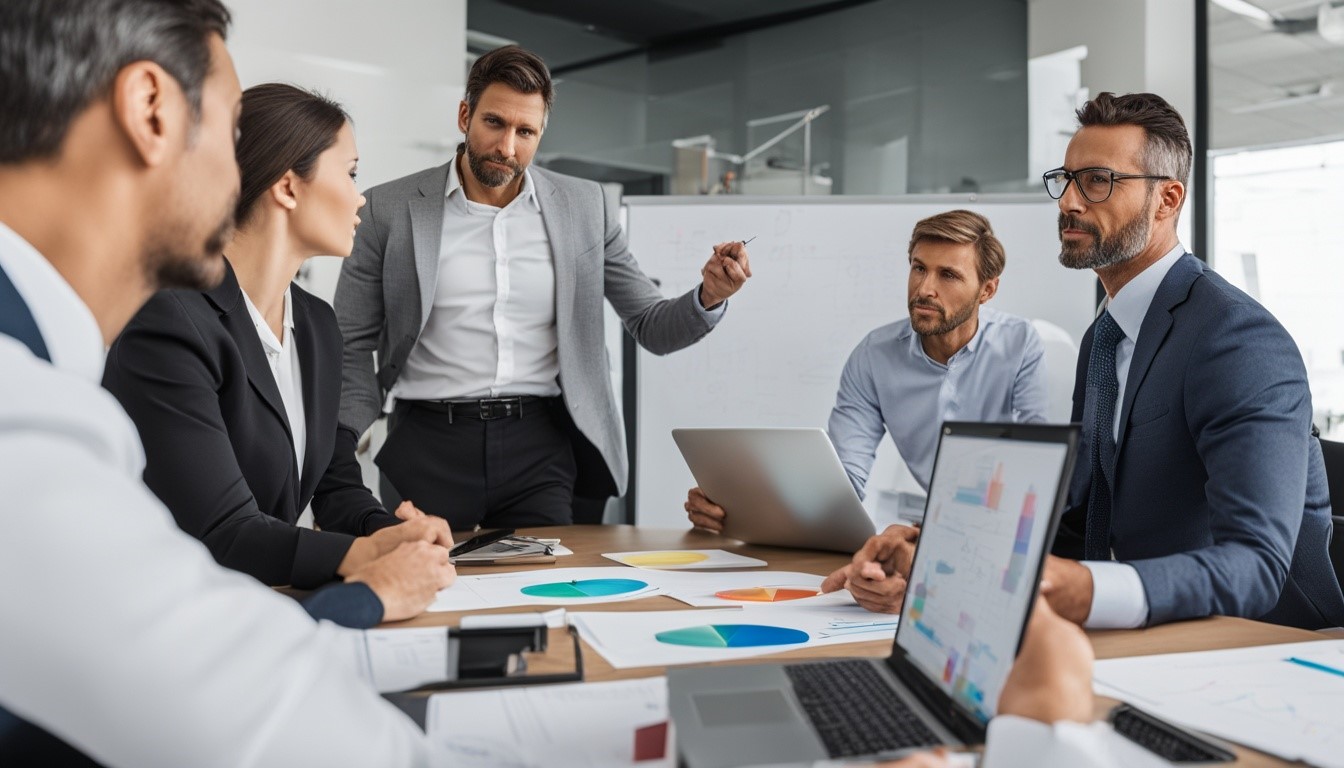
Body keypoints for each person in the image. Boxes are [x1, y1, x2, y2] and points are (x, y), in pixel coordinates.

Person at [0, 1, 449, 764]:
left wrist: (379, 539)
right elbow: (248, 709)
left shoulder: (49, 362)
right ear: (151, 111)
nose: (238, 166)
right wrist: (368, 580)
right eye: (231, 126)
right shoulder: (24, 410)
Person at [823, 92, 1344, 632]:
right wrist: (932, 556)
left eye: (1097, 180)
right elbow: (1077, 521)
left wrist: (1084, 589)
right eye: (1066, 179)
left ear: (1167, 200)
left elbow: (1258, 567)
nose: (1069, 202)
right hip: (1138, 631)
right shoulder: (1103, 336)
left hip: (1261, 644)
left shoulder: (1236, 339)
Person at [334, 44, 752, 530]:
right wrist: (341, 447)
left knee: (546, 591)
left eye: (525, 131)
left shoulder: (583, 206)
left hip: (541, 445)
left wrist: (710, 296)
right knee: (427, 590)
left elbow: (650, 324)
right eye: (494, 123)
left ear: (541, 133)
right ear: (465, 115)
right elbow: (349, 342)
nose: (508, 147)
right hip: (428, 443)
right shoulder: (388, 209)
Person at [102, 83, 455, 628]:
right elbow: (223, 531)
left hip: (271, 611)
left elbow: (335, 483)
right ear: (288, 186)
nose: (362, 197)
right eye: (352, 172)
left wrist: (388, 533)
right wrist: (370, 561)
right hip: (169, 628)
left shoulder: (317, 324)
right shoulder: (169, 319)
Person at [686, 209, 1049, 533]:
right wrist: (740, 507)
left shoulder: (1019, 346)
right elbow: (843, 481)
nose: (924, 289)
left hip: (1019, 530)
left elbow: (1038, 473)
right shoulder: (875, 356)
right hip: (940, 532)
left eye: (948, 275)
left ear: (987, 290)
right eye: (919, 268)